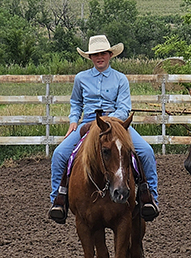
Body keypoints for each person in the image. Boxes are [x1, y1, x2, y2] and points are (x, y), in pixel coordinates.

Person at [48, 35, 160, 224]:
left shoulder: (120, 79)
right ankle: (58, 201)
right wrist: (73, 120)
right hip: (89, 123)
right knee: (59, 154)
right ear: (90, 57)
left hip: (116, 123)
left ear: (110, 55)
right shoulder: (81, 79)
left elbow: (124, 108)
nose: (100, 57)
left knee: (146, 152)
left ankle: (149, 198)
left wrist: (109, 122)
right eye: (95, 54)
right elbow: (76, 102)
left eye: (103, 53)